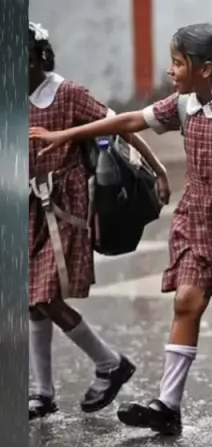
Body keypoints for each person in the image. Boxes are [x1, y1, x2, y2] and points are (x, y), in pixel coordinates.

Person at [29, 23, 212, 435]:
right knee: (186, 301)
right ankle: (168, 405)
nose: (171, 71)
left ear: (205, 68)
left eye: (178, 63)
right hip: (197, 216)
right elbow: (130, 121)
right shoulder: (182, 104)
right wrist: (67, 133)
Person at [27, 22, 170, 420]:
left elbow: (121, 124)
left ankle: (110, 364)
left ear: (35, 57)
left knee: (43, 297)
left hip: (63, 211)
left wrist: (157, 170)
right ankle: (42, 391)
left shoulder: (67, 94)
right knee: (32, 304)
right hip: (27, 213)